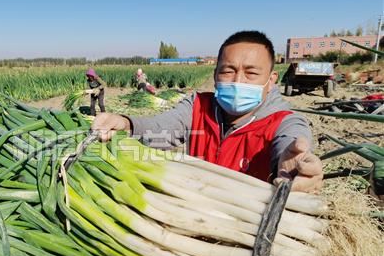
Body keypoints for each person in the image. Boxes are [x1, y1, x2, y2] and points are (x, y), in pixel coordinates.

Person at [91, 31, 323, 193]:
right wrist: (126, 123)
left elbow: (292, 144)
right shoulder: (197, 106)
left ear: (271, 80)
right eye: (228, 71)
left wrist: (295, 167)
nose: (238, 80)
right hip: (196, 214)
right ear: (215, 75)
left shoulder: (284, 121)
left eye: (251, 73)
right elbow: (163, 127)